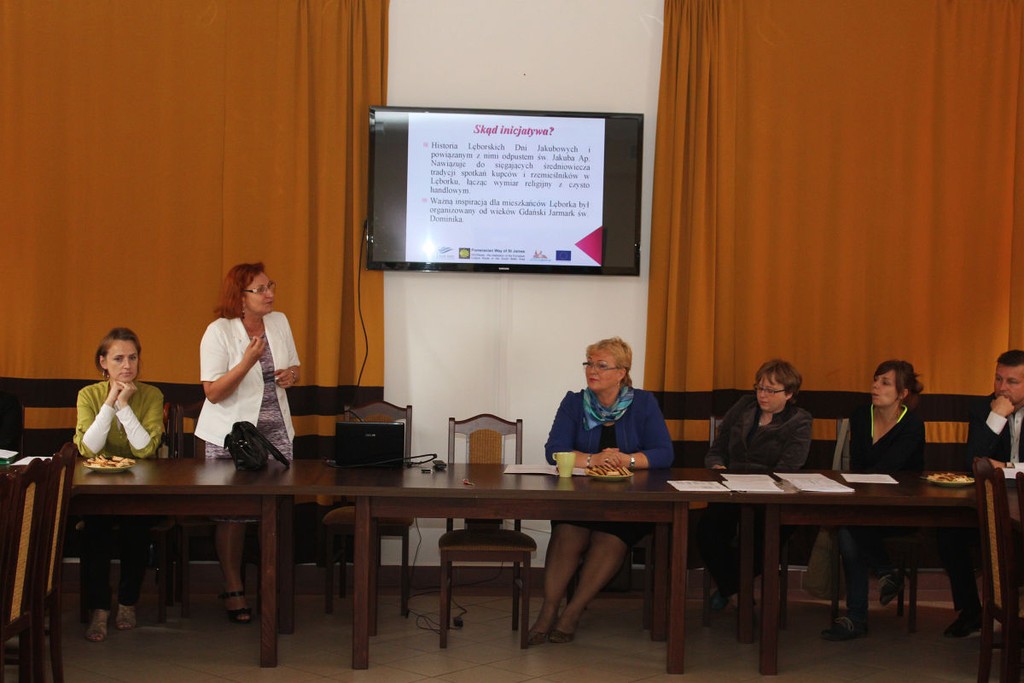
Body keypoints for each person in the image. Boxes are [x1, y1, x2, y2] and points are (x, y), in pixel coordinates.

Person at [528, 337, 673, 644]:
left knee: (610, 538)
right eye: (589, 363)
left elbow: (663, 453)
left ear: (621, 372)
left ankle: (572, 612)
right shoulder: (573, 402)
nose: (592, 370)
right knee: (568, 531)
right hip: (583, 498)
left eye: (601, 365)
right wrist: (594, 459)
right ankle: (548, 610)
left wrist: (626, 459)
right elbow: (554, 451)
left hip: (629, 501)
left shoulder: (643, 403)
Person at [194, 262, 300, 623]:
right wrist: (246, 363)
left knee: (276, 512)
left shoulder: (280, 322)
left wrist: (291, 376)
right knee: (233, 515)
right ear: (239, 298)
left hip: (275, 434)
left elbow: (295, 368)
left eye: (271, 286)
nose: (270, 294)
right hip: (232, 437)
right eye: (260, 289)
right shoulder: (218, 331)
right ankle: (234, 587)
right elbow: (213, 392)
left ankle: (273, 588)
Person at [821, 360, 925, 641]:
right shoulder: (860, 415)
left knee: (851, 526)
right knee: (849, 529)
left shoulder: (913, 424)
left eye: (885, 383)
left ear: (903, 393)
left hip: (900, 508)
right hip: (865, 504)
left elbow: (891, 467)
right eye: (875, 380)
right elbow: (858, 464)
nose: (875, 387)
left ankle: (860, 611)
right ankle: (879, 582)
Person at [697, 359, 812, 610]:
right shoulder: (744, 407)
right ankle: (736, 593)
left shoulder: (800, 420)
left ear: (789, 394)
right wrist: (717, 467)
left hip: (771, 496)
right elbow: (717, 450)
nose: (762, 395)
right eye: (759, 388)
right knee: (706, 531)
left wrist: (758, 482)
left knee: (766, 539)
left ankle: (729, 588)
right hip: (731, 490)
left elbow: (789, 467)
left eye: (771, 390)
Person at [74, 328, 164, 642]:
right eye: (118, 358)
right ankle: (99, 609)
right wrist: (110, 401)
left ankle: (127, 603)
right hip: (97, 486)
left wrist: (124, 405)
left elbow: (145, 449)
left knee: (135, 530)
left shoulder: (151, 395)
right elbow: (89, 448)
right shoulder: (88, 395)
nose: (127, 365)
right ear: (103, 362)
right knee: (95, 533)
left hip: (139, 486)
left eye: (133, 357)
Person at [936, 349, 1024, 637]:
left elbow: (993, 465)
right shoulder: (983, 408)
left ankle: (1018, 616)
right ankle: (971, 611)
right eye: (998, 379)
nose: (1002, 388)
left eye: (1012, 381)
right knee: (949, 533)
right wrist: (996, 417)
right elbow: (973, 462)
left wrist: (1007, 467)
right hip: (991, 503)